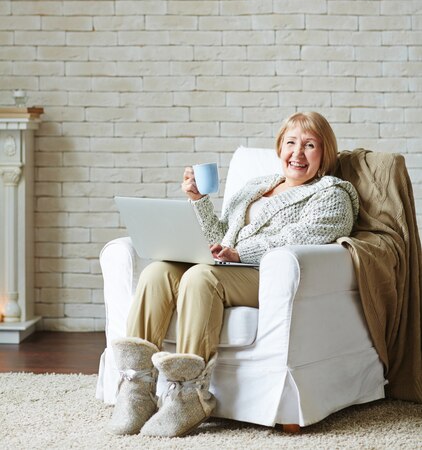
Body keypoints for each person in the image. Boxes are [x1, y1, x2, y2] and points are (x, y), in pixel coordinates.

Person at [108, 111, 359, 438]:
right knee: (158, 272)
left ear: (324, 154)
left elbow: (305, 236)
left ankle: (188, 395)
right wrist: (198, 200)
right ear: (279, 147)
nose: (297, 153)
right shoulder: (256, 186)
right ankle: (137, 387)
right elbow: (221, 234)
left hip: (263, 276)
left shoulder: (331, 193)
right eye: (291, 143)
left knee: (201, 278)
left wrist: (241, 254)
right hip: (226, 265)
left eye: (310, 145)